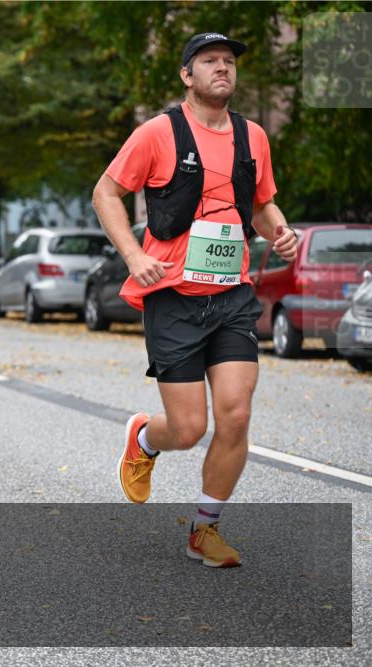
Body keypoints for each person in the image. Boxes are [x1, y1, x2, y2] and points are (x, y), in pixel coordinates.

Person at [92, 33, 298, 568]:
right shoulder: (158, 133)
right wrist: (135, 256)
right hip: (174, 297)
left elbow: (260, 205)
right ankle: (146, 438)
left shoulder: (252, 136)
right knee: (188, 429)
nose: (222, 69)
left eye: (229, 62)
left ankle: (205, 530)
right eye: (210, 62)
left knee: (236, 415)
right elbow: (106, 193)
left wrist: (279, 230)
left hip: (231, 295)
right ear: (187, 75)